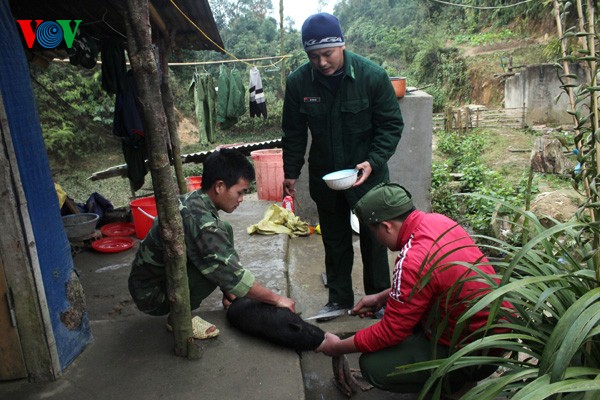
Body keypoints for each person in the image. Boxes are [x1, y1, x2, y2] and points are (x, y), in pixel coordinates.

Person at [315, 183, 511, 393]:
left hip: (473, 354)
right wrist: (382, 297)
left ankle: (453, 382)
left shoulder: (412, 260)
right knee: (408, 320)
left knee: (373, 365)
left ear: (387, 226)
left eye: (373, 232)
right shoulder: (437, 221)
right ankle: (454, 376)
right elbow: (435, 280)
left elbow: (390, 332)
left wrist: (337, 347)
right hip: (496, 337)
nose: (377, 240)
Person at [281, 12, 404, 320]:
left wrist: (373, 161)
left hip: (369, 177)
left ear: (342, 45)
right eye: (313, 56)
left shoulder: (372, 76)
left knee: (376, 243)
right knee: (335, 241)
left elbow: (390, 126)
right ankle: (339, 299)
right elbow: (293, 133)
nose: (321, 62)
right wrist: (291, 173)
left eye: (327, 54)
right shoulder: (298, 83)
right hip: (327, 176)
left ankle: (378, 300)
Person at [128, 148, 296, 339]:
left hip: (155, 277)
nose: (241, 199)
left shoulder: (195, 199)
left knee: (224, 229)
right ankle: (178, 317)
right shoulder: (200, 222)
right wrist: (277, 300)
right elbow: (233, 275)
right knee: (215, 269)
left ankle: (229, 295)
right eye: (240, 192)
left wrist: (230, 290)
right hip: (151, 294)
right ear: (219, 187)